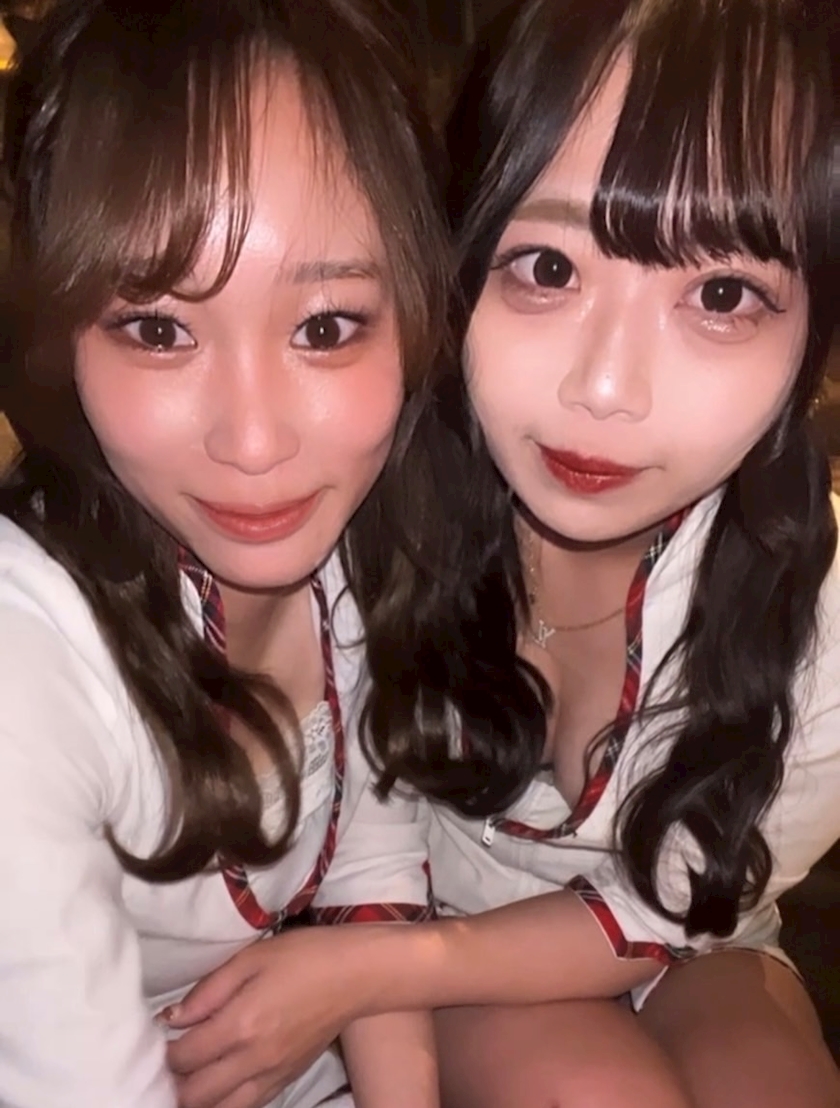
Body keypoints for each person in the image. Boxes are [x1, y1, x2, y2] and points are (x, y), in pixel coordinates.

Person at [159, 1, 840, 1106]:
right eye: (548, 268)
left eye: (722, 295)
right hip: (431, 917)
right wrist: (376, 960)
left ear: (815, 341)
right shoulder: (372, 498)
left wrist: (362, 972)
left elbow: (676, 910)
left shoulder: (818, 612)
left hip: (691, 938)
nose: (603, 388)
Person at [0, 1, 450, 1106]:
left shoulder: (360, 551)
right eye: (158, 329)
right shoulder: (27, 662)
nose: (254, 444)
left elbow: (371, 850)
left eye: (325, 326)